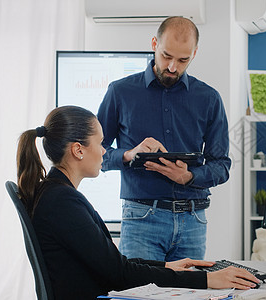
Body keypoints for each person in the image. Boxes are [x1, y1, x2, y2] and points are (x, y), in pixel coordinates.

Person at [15, 106, 259, 299]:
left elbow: (113, 264)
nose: (103, 151)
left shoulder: (57, 194)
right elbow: (120, 274)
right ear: (78, 150)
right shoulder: (63, 202)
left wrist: (167, 266)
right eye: (100, 143)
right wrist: (206, 280)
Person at [97, 16, 231, 261]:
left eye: (183, 60)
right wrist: (128, 154)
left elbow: (222, 165)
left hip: (194, 221)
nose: (172, 67)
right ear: (153, 44)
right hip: (141, 219)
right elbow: (96, 153)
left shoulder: (209, 98)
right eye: (166, 56)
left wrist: (189, 176)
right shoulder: (120, 92)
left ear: (195, 53)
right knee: (140, 296)